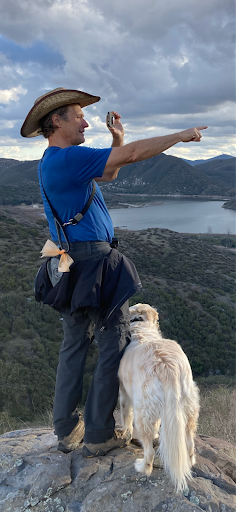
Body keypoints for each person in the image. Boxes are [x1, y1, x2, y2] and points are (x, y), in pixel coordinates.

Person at [21, 87, 207, 457]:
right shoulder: (67, 159)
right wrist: (179, 135)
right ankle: (100, 434)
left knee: (74, 344)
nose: (85, 121)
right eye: (78, 115)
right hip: (95, 263)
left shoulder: (54, 162)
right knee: (114, 343)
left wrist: (116, 138)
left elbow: (110, 171)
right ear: (56, 120)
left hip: (70, 262)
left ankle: (66, 428)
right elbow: (134, 156)